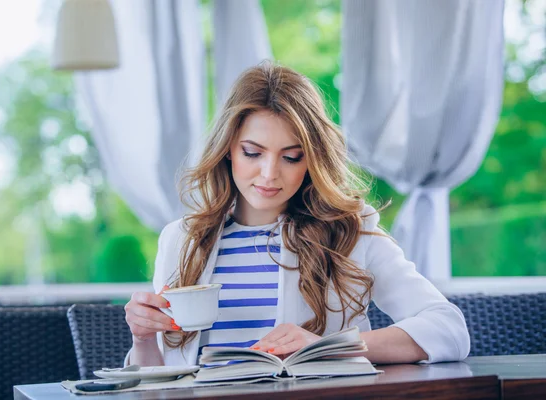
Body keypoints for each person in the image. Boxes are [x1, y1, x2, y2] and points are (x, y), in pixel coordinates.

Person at [124, 62, 470, 367]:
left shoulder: (350, 230)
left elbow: (448, 329)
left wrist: (328, 347)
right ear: (228, 149)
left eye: (291, 157)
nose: (269, 174)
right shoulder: (182, 238)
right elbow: (157, 377)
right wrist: (142, 338)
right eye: (252, 153)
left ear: (313, 159)